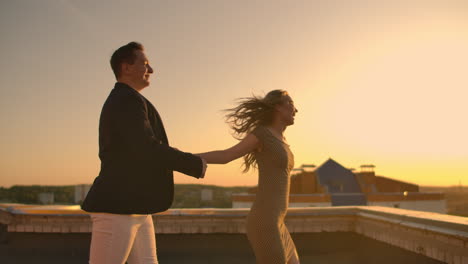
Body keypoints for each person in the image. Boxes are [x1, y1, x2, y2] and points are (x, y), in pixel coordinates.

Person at [81, 41, 207, 264]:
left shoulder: (129, 99)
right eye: (146, 64)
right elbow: (147, 148)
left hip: (135, 205)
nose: (151, 70)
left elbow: (144, 148)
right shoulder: (126, 100)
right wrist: (192, 163)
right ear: (126, 67)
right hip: (117, 206)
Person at [196, 90, 299, 264]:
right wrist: (184, 158)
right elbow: (226, 156)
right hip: (265, 222)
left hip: (278, 223)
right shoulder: (262, 134)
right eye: (291, 103)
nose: (296, 110)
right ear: (278, 107)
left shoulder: (282, 139)